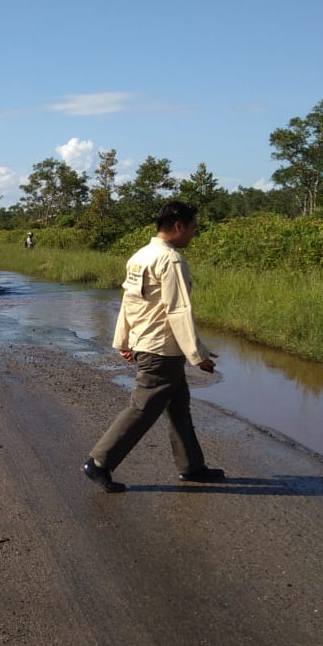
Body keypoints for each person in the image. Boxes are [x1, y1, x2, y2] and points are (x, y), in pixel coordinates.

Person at [83, 201, 225, 493]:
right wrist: (198, 356)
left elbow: (129, 303)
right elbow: (178, 310)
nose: (193, 234)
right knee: (142, 408)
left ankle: (192, 467)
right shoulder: (170, 259)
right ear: (177, 226)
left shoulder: (139, 256)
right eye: (192, 228)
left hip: (152, 344)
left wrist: (124, 340)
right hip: (161, 349)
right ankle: (99, 463)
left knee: (178, 407)